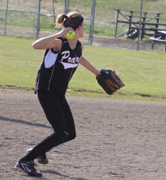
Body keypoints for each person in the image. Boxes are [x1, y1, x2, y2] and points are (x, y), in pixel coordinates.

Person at [14, 11, 101, 177]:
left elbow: (80, 58)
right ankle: (24, 161)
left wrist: (97, 73)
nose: (85, 29)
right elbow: (35, 45)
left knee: (70, 133)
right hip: (46, 91)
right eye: (83, 26)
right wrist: (59, 33)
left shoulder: (79, 47)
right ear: (76, 28)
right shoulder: (59, 43)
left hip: (59, 93)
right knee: (61, 131)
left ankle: (38, 150)